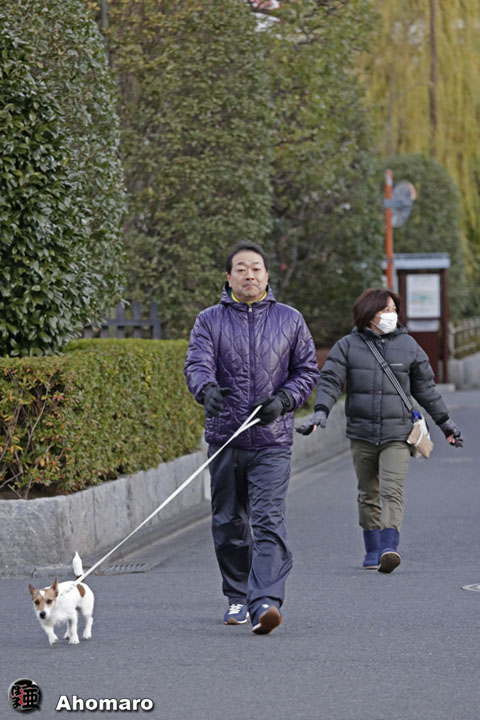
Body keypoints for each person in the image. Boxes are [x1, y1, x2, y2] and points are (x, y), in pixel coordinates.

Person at [184, 242, 319, 634]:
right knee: (228, 522)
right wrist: (206, 390)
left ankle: (265, 602)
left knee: (268, 520)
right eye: (241, 269)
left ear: (267, 275)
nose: (249, 275)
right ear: (228, 277)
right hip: (225, 439)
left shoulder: (290, 319)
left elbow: (307, 371)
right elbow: (197, 364)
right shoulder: (209, 320)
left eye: (256, 268)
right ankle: (237, 596)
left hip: (272, 441)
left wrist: (284, 400)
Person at [296, 288, 463, 573]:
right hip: (361, 432)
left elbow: (426, 390)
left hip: (398, 433)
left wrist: (446, 424)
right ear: (369, 313)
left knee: (392, 490)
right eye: (385, 310)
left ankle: (389, 548)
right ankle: (372, 548)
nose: (391, 315)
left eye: (393, 310)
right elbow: (330, 380)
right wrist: (321, 411)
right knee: (367, 492)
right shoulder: (347, 345)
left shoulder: (409, 346)